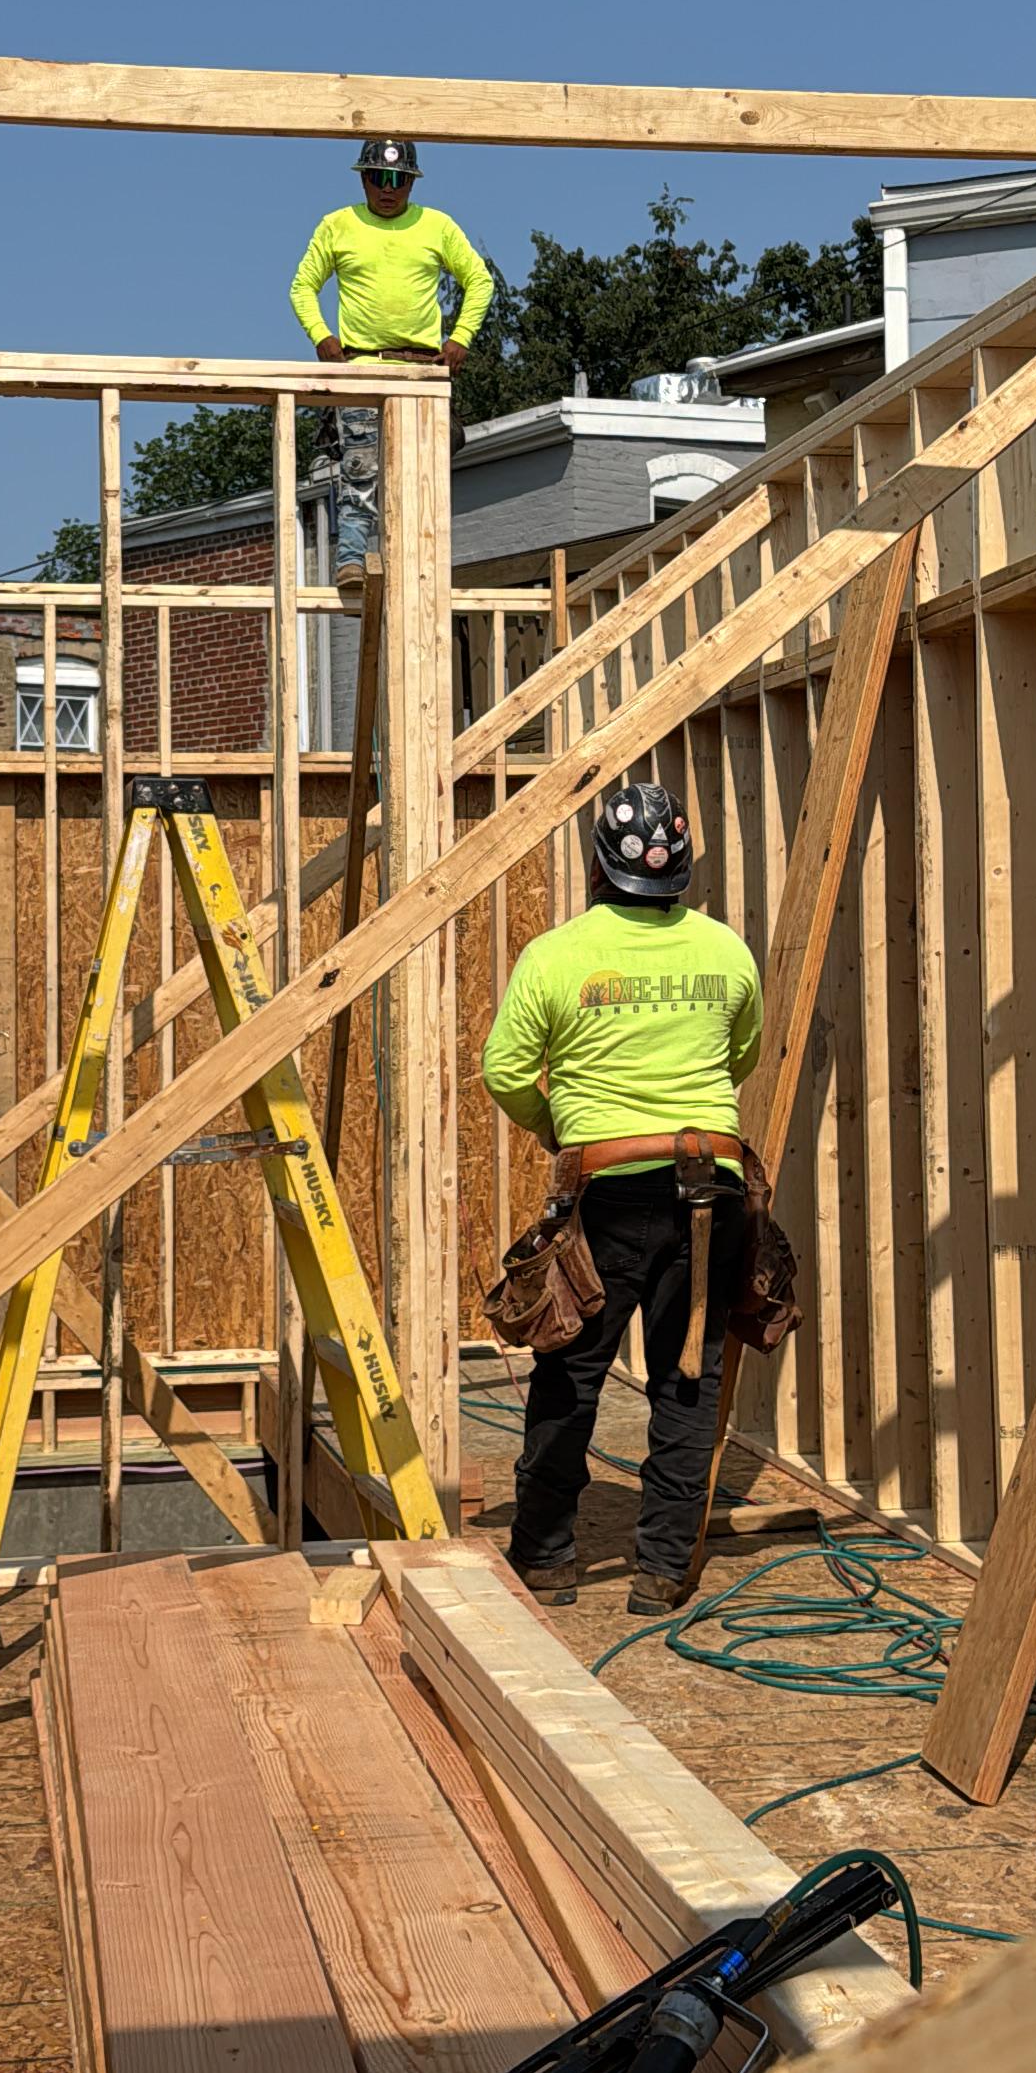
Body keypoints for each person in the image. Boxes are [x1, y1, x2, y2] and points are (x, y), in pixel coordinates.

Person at [480, 779, 763, 1613]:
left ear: (601, 866)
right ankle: (661, 1572)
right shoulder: (725, 950)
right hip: (711, 1193)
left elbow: (504, 1072)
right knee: (688, 1381)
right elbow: (737, 1056)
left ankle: (547, 1559)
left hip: (603, 1194)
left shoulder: (557, 955)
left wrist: (560, 1131)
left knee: (570, 1368)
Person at [290, 137, 494, 592]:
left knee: (421, 470)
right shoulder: (338, 225)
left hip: (421, 370)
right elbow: (302, 286)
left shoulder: (436, 225)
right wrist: (321, 336)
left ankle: (419, 561)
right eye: (380, 178)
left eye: (399, 180)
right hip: (362, 364)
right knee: (360, 465)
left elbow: (478, 280)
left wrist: (460, 338)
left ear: (411, 183)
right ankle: (352, 558)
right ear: (364, 179)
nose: (389, 189)